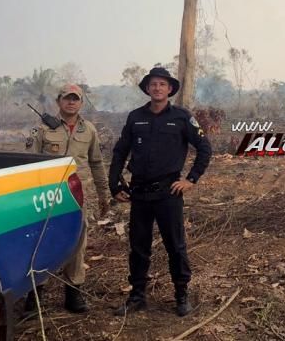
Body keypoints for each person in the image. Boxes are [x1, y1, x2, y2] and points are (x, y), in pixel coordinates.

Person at [109, 67, 212, 317]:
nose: (157, 88)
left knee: (175, 246)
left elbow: (204, 148)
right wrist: (115, 184)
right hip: (140, 193)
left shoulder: (181, 117)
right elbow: (120, 152)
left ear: (170, 89)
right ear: (147, 88)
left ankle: (181, 295)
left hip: (169, 193)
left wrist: (191, 179)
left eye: (162, 84)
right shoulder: (135, 117)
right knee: (138, 247)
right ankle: (137, 297)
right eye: (153, 84)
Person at [26, 84, 111, 314]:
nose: (71, 102)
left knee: (77, 243)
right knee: (41, 243)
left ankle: (74, 294)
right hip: (47, 196)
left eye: (76, 99)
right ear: (59, 101)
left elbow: (96, 163)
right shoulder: (42, 129)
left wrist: (105, 195)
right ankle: (35, 298)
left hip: (76, 197)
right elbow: (27, 163)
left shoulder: (89, 130)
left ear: (81, 103)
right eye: (67, 98)